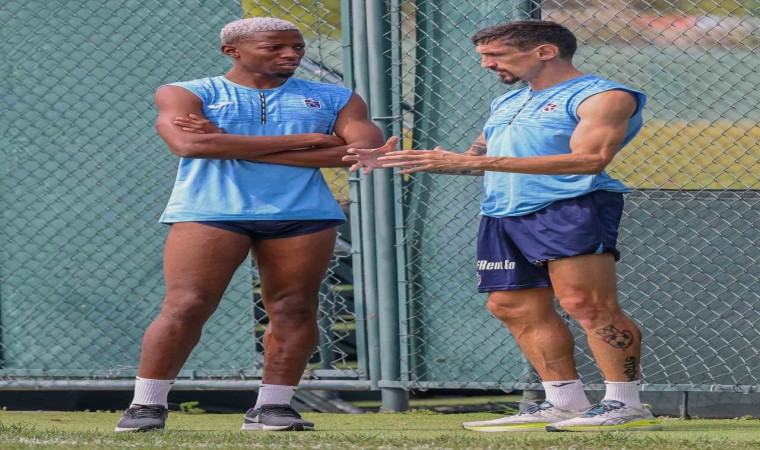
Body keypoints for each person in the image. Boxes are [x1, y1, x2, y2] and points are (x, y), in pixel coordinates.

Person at [344, 20, 661, 432]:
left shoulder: (603, 96)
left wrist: (469, 161)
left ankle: (624, 403)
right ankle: (563, 402)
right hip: (502, 212)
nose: (487, 64)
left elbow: (588, 160)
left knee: (587, 305)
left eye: (496, 55)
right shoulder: (508, 100)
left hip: (570, 207)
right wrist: (405, 158)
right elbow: (476, 158)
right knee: (511, 305)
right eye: (483, 56)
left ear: (545, 52)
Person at [115, 17, 384, 433]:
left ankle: (272, 408)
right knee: (187, 305)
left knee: (295, 308)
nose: (291, 55)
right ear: (232, 51)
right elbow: (188, 144)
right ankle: (146, 406)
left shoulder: (336, 96)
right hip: (210, 212)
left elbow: (365, 152)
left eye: (297, 47)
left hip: (304, 214)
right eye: (275, 48)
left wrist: (223, 142)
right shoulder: (187, 92)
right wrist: (311, 139)